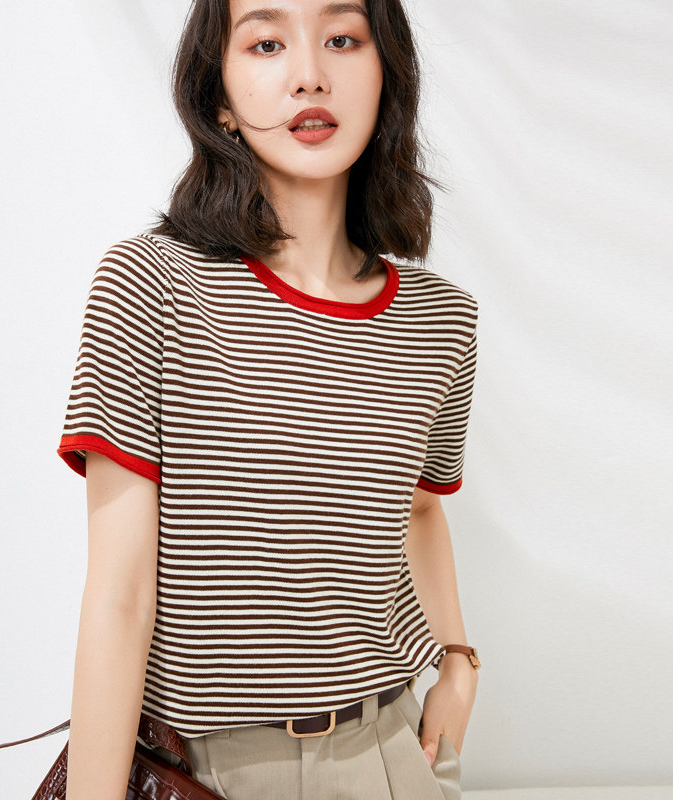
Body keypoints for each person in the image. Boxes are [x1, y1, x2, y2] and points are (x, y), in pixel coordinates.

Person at [56, 1, 480, 798]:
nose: (309, 74)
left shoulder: (441, 321)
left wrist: (458, 662)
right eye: (266, 43)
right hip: (209, 772)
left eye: (342, 39)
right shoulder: (151, 287)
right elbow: (119, 597)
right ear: (218, 95)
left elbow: (420, 508)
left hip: (393, 757)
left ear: (386, 76)